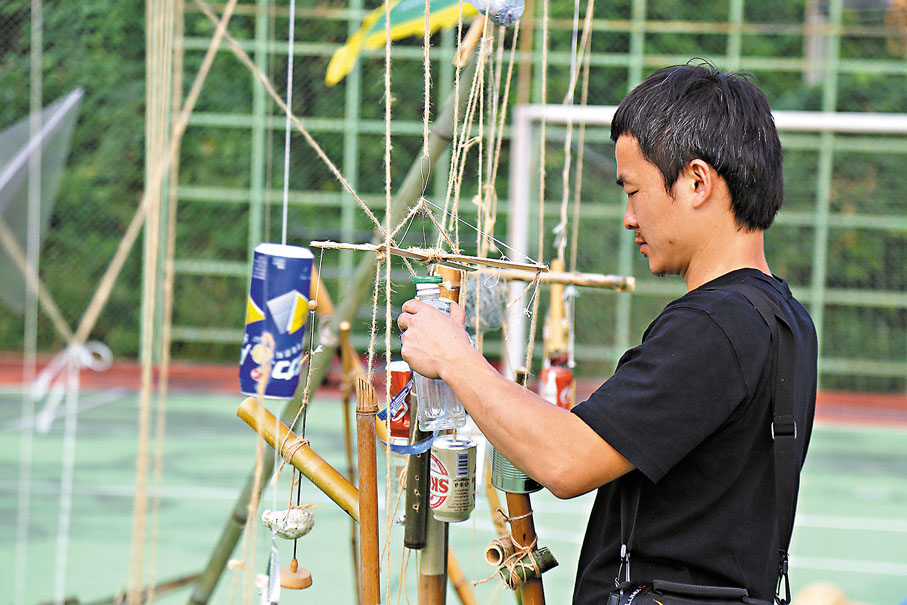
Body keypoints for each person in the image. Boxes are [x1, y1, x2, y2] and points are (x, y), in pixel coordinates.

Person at [396, 61, 817, 603]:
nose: (628, 217)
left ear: (696, 182)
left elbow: (566, 462)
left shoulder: (713, 326)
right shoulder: (785, 318)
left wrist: (455, 358)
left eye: (633, 191)